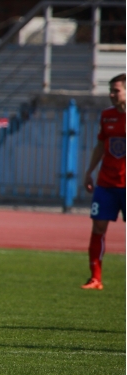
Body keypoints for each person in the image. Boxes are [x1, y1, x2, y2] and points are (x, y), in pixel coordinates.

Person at [80, 73, 126, 290]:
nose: (111, 94)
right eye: (111, 90)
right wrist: (89, 171)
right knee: (98, 228)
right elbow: (100, 146)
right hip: (106, 183)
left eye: (116, 90)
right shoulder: (106, 115)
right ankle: (95, 278)